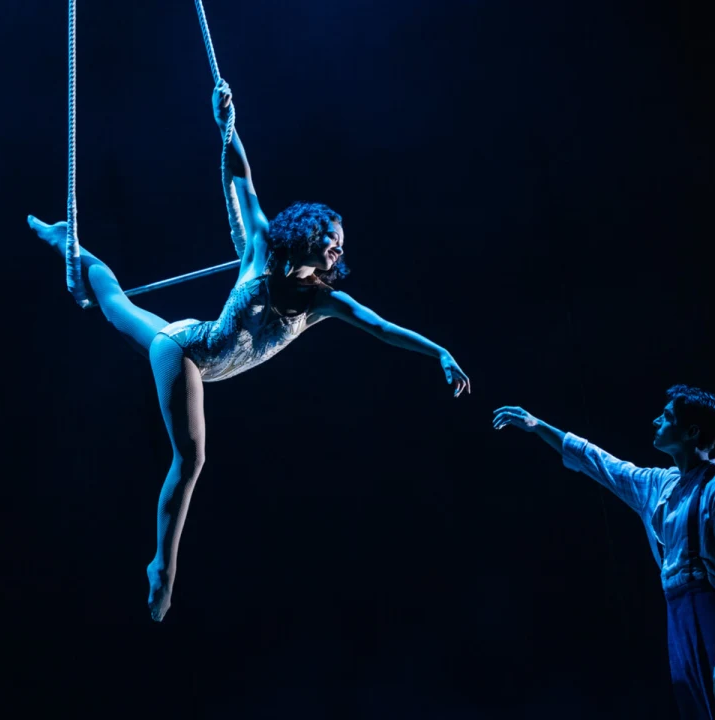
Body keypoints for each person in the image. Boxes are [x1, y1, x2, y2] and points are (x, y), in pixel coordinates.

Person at [28, 78, 471, 622]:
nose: (338, 247)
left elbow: (382, 328)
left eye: (341, 244)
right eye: (332, 237)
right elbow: (243, 177)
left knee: (113, 303)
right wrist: (227, 125)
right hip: (185, 352)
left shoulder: (323, 302)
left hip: (202, 354)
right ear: (308, 233)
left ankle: (68, 240)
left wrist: (440, 351)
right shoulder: (261, 249)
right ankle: (162, 568)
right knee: (192, 457)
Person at [493, 385, 715, 718]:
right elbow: (601, 462)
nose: (656, 422)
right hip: (677, 613)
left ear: (691, 431)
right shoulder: (659, 484)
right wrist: (538, 427)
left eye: (666, 417)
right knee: (695, 707)